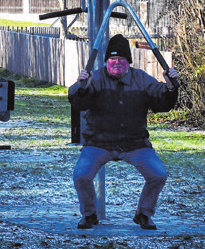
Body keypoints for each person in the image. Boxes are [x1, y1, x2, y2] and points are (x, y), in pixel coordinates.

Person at [68, 33, 179, 231]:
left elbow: (162, 101)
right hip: (99, 142)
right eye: (112, 59)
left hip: (134, 143)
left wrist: (171, 88)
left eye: (121, 59)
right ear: (106, 61)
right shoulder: (96, 78)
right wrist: (81, 87)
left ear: (129, 62)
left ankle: (144, 214)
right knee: (81, 175)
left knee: (158, 174)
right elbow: (77, 101)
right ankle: (89, 214)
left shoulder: (141, 79)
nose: (117, 63)